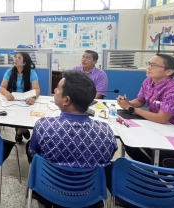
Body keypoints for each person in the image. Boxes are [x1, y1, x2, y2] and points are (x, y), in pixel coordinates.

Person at [27, 70, 117, 208]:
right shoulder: (106, 131)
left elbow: (33, 153)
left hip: (49, 192)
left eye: (58, 88)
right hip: (89, 197)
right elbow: (107, 158)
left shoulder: (44, 126)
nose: (55, 90)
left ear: (66, 100)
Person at [117, 53, 174, 164]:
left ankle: (159, 173)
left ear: (168, 72)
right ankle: (149, 172)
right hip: (159, 128)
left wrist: (131, 109)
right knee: (129, 141)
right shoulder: (148, 81)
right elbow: (141, 100)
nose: (149, 67)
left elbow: (162, 118)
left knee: (135, 144)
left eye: (154, 65)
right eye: (149, 64)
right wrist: (128, 103)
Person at [0, 52, 40, 143]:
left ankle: (19, 132)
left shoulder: (31, 73)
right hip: (12, 100)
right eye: (15, 57)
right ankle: (23, 130)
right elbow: (2, 87)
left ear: (24, 63)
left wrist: (33, 98)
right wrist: (6, 93)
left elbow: (36, 89)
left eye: (19, 58)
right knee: (18, 117)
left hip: (26, 100)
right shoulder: (9, 72)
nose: (15, 60)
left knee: (24, 116)